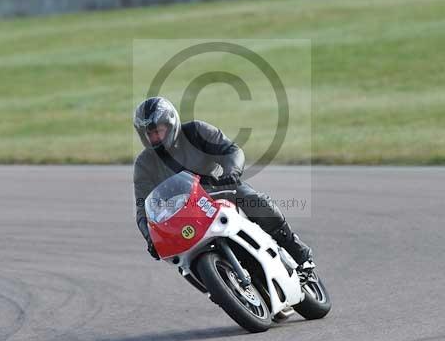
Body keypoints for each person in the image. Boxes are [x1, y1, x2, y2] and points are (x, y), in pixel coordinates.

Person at [132, 96, 313, 264]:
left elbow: (231, 151)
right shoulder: (144, 163)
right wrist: (150, 237)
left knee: (253, 200)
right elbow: (143, 206)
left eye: (158, 131)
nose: (155, 137)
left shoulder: (196, 131)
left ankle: (297, 250)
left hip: (219, 190)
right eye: (150, 134)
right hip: (183, 215)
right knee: (177, 258)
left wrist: (231, 172)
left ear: (171, 124)